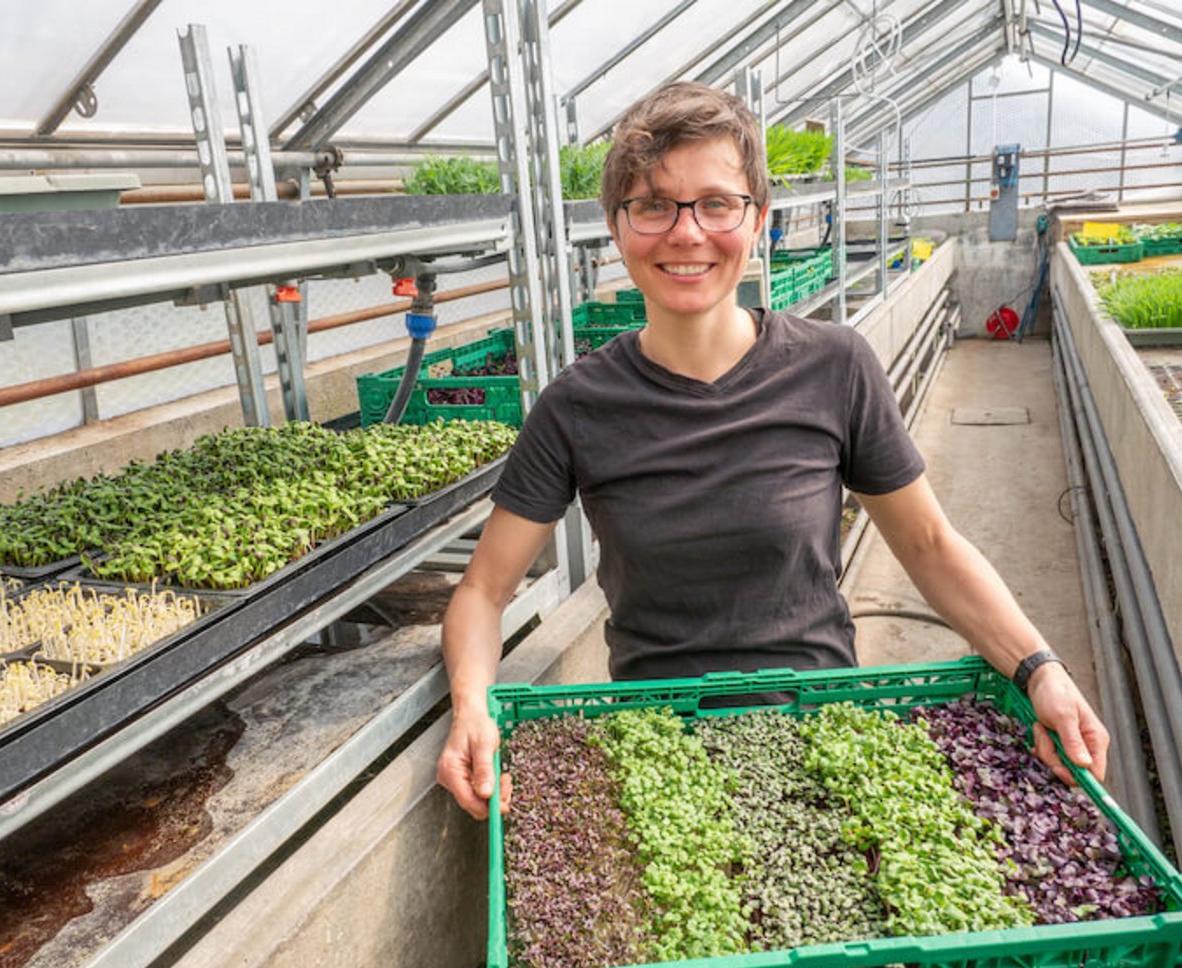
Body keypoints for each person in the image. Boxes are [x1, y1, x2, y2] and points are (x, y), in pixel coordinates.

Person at [436, 81, 1108, 821]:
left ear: (757, 219)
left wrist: (1040, 668)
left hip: (824, 735)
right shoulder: (577, 406)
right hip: (664, 755)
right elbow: (483, 592)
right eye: (653, 205)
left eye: (716, 204)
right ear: (616, 227)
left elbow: (929, 545)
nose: (686, 233)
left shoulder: (835, 367)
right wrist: (473, 706)